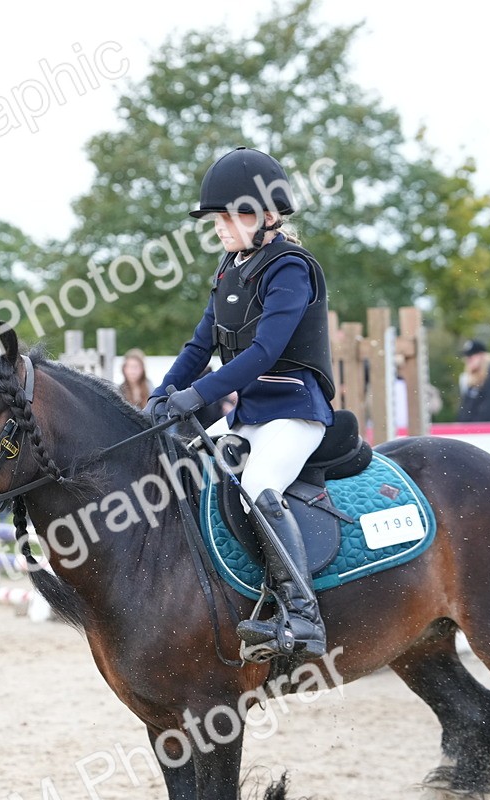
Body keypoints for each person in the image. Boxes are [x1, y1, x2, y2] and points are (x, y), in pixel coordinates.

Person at [144, 146, 335, 663]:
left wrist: (198, 395)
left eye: (232, 216)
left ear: (268, 216)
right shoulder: (231, 268)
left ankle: (303, 615)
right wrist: (161, 395)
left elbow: (264, 353)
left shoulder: (290, 268)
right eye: (217, 218)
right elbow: (199, 345)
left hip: (295, 411)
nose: (221, 227)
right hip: (251, 415)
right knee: (189, 474)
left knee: (257, 485)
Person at [457, 340, 490, 422]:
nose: (467, 360)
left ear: (482, 356)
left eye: (471, 357)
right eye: (467, 357)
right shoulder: (472, 383)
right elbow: (463, 414)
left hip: (489, 430)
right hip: (474, 430)